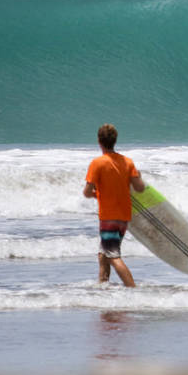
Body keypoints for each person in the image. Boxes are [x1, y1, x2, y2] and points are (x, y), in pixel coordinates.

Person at [83, 123, 145, 287]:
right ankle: (103, 287)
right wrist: (138, 176)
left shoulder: (97, 163)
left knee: (112, 255)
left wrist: (98, 194)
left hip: (109, 217)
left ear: (99, 141)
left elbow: (87, 192)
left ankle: (133, 289)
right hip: (124, 216)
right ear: (115, 140)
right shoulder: (128, 162)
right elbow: (140, 188)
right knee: (103, 254)